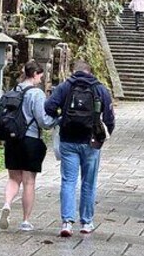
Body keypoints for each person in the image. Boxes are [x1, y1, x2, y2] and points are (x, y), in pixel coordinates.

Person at [45, 60, 115, 236]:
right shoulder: (100, 89)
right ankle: (86, 222)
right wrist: (103, 135)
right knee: (88, 183)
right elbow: (109, 117)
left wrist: (61, 117)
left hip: (68, 140)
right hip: (91, 142)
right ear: (90, 72)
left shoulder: (65, 86)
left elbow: (49, 106)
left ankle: (67, 222)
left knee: (68, 181)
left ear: (74, 71)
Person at [0, 60, 57, 232]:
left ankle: (7, 203)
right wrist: (56, 120)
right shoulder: (36, 94)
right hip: (31, 140)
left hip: (12, 139)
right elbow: (43, 121)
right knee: (29, 182)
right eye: (40, 75)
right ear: (35, 74)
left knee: (13, 178)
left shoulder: (13, 90)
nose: (41, 79)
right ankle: (25, 221)